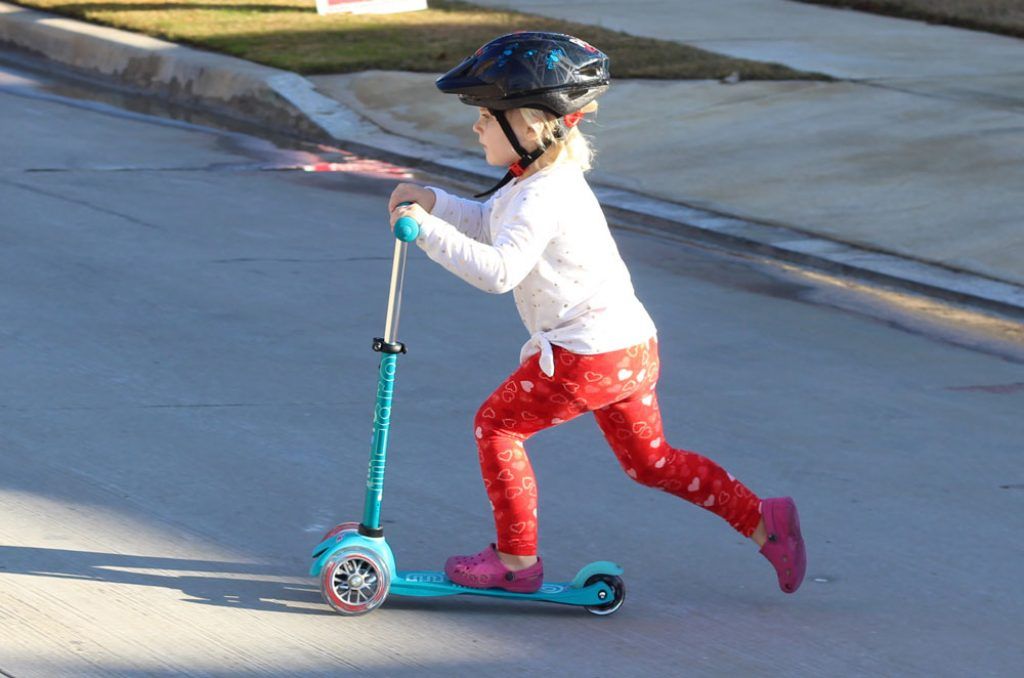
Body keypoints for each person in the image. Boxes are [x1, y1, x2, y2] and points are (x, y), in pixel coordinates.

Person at [387, 32, 806, 595]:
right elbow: (489, 223)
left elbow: (499, 271)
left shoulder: (541, 194)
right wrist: (434, 201)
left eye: (487, 115)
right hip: (629, 346)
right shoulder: (538, 183)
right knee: (650, 462)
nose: (477, 126)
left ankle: (516, 562)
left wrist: (425, 231)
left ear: (531, 126)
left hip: (586, 354)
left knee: (497, 427)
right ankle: (762, 520)